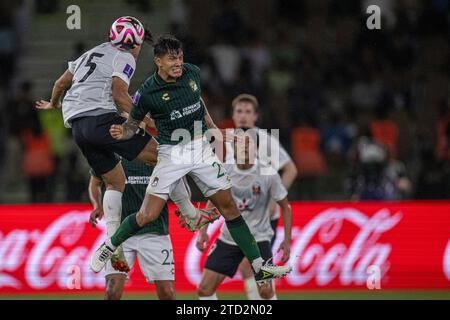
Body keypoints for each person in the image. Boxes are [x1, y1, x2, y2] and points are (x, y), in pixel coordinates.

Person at [90, 35, 292, 285]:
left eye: (180, 57)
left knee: (229, 206)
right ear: (158, 61)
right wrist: (124, 132)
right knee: (147, 215)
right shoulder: (148, 92)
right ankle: (109, 246)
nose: (178, 63)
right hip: (171, 153)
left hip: (199, 148)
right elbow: (133, 123)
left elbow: (199, 104)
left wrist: (214, 130)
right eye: (172, 59)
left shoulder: (192, 73)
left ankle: (260, 266)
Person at [35, 17, 215, 271]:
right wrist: (146, 119)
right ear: (134, 42)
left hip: (78, 127)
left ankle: (112, 242)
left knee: (115, 181)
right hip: (102, 120)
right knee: (165, 156)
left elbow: (59, 84)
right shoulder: (124, 55)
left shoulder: (91, 53)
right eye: (140, 42)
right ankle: (190, 214)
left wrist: (54, 104)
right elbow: (120, 94)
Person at [195, 133, 292, 300]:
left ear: (256, 149)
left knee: (266, 291)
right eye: (240, 143)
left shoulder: (268, 173)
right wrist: (203, 231)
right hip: (229, 238)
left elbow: (286, 207)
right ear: (233, 150)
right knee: (204, 289)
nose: (245, 146)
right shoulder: (224, 170)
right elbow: (213, 201)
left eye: (249, 143)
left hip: (259, 239)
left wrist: (287, 241)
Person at [226, 94, 297, 299]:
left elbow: (290, 169)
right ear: (233, 115)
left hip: (265, 215)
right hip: (239, 215)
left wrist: (275, 198)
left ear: (255, 116)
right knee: (247, 267)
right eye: (239, 111)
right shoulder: (227, 141)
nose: (243, 116)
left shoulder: (265, 141)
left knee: (257, 268)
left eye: (248, 112)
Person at [88, 156, 175, 300]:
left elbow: (179, 184)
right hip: (119, 236)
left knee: (167, 293)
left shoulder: (156, 152)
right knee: (112, 291)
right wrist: (97, 205)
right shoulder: (112, 155)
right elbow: (95, 183)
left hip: (154, 232)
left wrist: (185, 207)